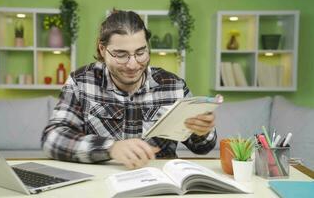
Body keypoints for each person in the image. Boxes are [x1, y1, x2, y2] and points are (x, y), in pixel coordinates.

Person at [41, 10, 216, 169]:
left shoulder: (174, 86)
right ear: (103, 50)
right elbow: (52, 139)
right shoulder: (81, 82)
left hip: (161, 182)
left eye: (140, 52)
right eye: (121, 54)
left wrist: (202, 132)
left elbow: (203, 148)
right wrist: (110, 148)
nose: (133, 65)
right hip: (101, 182)